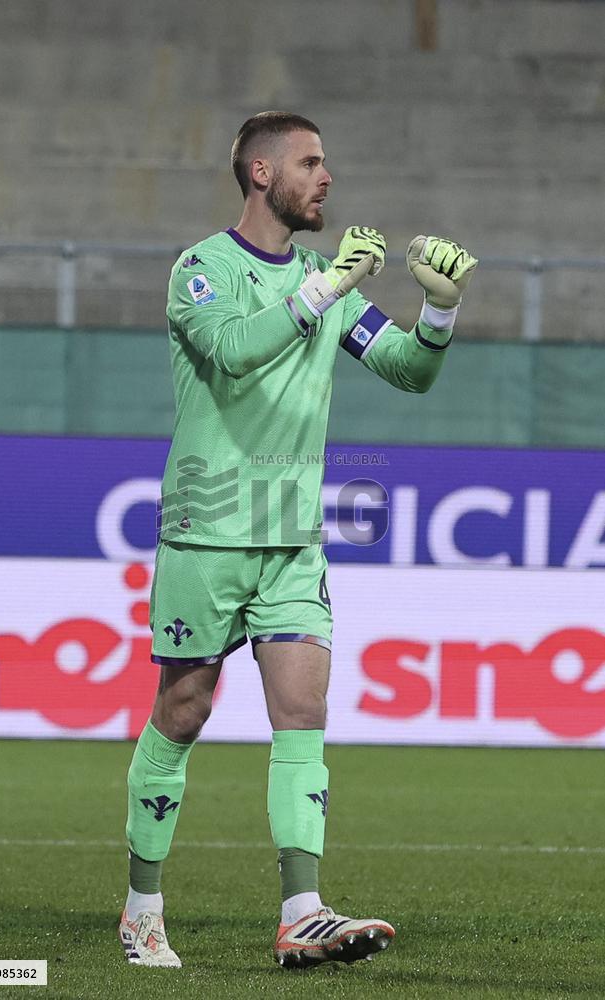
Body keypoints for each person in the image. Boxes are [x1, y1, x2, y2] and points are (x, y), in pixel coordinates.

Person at [118, 110, 477, 970]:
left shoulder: (330, 278)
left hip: (289, 539)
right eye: (310, 164)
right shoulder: (200, 270)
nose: (326, 178)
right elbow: (236, 352)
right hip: (206, 531)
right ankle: (141, 909)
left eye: (325, 164)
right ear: (259, 174)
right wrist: (322, 290)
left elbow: (407, 371)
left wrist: (438, 309)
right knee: (184, 709)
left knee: (302, 713)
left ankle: (302, 910)